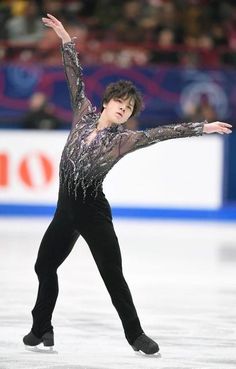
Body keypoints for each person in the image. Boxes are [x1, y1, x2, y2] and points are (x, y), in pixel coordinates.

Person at [23, 14, 232, 355]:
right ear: (107, 102)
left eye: (130, 107)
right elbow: (73, 75)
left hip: (92, 212)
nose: (124, 109)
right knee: (44, 266)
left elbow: (162, 133)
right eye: (120, 103)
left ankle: (136, 336)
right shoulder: (83, 113)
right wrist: (65, 39)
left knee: (112, 275)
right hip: (65, 211)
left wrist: (201, 127)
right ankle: (41, 327)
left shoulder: (125, 139)